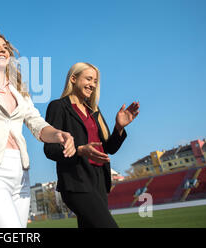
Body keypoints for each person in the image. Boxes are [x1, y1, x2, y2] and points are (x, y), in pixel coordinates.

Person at [0, 30, 76, 228]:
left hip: (21, 175)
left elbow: (36, 123)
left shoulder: (19, 90)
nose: (2, 49)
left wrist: (58, 134)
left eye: (5, 46)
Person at [44, 62, 139, 228]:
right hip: (76, 182)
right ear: (73, 78)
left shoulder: (93, 110)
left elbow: (109, 148)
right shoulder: (58, 107)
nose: (93, 85)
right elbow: (50, 149)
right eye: (89, 79)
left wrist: (119, 127)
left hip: (99, 181)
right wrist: (80, 151)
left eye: (95, 81)